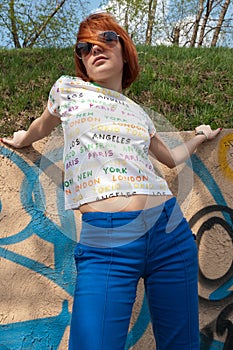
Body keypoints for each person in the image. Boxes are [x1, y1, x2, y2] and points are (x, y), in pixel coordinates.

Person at [1, 11, 221, 350]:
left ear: (124, 49)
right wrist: (22, 140)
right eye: (84, 48)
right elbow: (40, 127)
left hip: (170, 233)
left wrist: (200, 137)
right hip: (108, 236)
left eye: (106, 39)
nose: (94, 50)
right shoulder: (68, 90)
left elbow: (169, 158)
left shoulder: (138, 112)